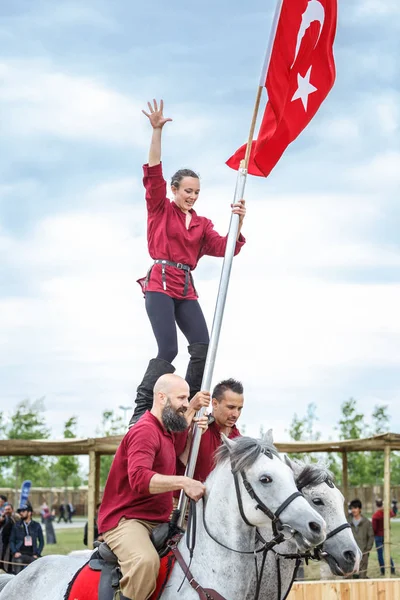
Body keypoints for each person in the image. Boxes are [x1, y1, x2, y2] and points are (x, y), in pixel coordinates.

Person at [128, 99, 246, 427]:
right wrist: (156, 131)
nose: (192, 196)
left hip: (186, 287)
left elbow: (227, 248)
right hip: (160, 283)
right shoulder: (160, 209)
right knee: (169, 347)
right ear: (175, 190)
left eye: (196, 191)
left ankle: (187, 406)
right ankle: (142, 406)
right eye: (187, 191)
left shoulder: (202, 224)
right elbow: (152, 173)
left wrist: (238, 222)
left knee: (203, 346)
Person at [98, 373, 209, 600]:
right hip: (126, 520)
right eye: (181, 398)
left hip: (158, 519)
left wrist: (196, 427)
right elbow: (139, 479)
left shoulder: (165, 431)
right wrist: (184, 482)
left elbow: (180, 449)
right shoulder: (145, 430)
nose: (185, 404)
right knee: (145, 562)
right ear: (161, 397)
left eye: (187, 398)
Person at [177, 378, 243, 483]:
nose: (236, 414)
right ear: (215, 404)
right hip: (188, 497)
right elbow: (174, 465)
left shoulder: (239, 441)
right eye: (231, 407)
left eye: (239, 409)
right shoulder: (197, 428)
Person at [10, 503, 44, 574]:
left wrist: (37, 554)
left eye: (23, 511)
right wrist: (15, 552)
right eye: (20, 512)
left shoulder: (36, 525)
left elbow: (41, 541)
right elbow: (12, 541)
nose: (21, 513)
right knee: (17, 575)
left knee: (35, 574)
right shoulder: (16, 525)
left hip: (32, 554)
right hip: (20, 554)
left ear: (29, 513)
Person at [348, 499, 374, 578]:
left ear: (360, 509)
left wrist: (367, 550)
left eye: (355, 508)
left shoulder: (367, 522)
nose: (353, 510)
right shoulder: (347, 522)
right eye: (352, 508)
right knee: (348, 574)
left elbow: (371, 536)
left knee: (362, 575)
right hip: (350, 553)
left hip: (363, 552)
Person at [372, 498, 396, 575]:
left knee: (380, 554)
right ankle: (392, 568)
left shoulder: (375, 515)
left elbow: (374, 528)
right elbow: (393, 514)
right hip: (386, 535)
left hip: (378, 536)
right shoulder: (387, 512)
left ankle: (383, 570)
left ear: (376, 505)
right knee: (387, 553)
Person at [0, 503, 16, 573]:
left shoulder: (15, 518)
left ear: (12, 510)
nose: (7, 511)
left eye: (9, 509)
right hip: (3, 543)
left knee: (9, 560)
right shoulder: (3, 519)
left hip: (12, 543)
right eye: (6, 510)